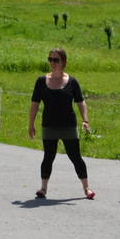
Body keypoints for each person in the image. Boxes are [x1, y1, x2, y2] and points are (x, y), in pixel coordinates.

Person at [28, 47, 94, 200]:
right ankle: (43, 188)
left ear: (63, 62)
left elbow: (80, 102)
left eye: (56, 60)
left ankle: (87, 188)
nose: (52, 63)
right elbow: (35, 104)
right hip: (49, 125)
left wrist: (85, 120)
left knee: (75, 156)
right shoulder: (41, 81)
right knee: (48, 157)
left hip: (68, 125)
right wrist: (31, 123)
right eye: (50, 59)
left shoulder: (72, 81)